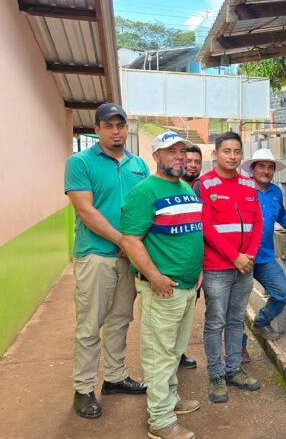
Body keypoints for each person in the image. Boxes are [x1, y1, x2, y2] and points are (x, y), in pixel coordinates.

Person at [64, 103, 148, 419]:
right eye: (109, 125)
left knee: (120, 320)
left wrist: (138, 249)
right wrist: (123, 241)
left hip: (130, 258)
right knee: (90, 325)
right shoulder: (79, 163)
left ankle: (115, 377)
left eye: (120, 125)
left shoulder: (139, 164)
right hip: (97, 256)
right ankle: (83, 389)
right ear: (96, 129)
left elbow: (146, 208)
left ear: (127, 128)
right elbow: (86, 211)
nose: (116, 131)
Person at [120, 131, 203, 439]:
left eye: (182, 150)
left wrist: (199, 268)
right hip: (162, 288)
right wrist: (154, 276)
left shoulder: (186, 188)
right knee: (159, 354)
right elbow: (130, 239)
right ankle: (161, 420)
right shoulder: (145, 192)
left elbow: (193, 233)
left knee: (176, 349)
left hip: (187, 286)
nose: (179, 156)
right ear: (156, 156)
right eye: (171, 151)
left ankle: (170, 398)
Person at [199, 132, 263, 403]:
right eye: (226, 151)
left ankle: (233, 368)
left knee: (237, 320)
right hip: (217, 267)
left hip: (244, 267)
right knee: (216, 322)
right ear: (215, 154)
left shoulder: (248, 184)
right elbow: (206, 227)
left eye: (237, 151)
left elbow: (258, 223)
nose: (232, 156)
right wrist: (234, 256)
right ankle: (215, 374)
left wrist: (248, 255)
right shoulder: (204, 184)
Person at [244, 148, 286, 341]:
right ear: (253, 169)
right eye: (261, 166)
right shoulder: (243, 188)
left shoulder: (276, 192)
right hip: (242, 257)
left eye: (270, 167)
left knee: (282, 293)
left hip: (264, 256)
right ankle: (240, 346)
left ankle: (260, 322)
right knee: (237, 305)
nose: (266, 171)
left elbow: (281, 215)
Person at [179, 144, 203, 370]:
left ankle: (179, 353)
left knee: (188, 309)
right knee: (171, 313)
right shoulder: (172, 187)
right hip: (174, 262)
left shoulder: (202, 187)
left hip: (196, 263)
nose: (193, 166)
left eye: (197, 162)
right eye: (189, 161)